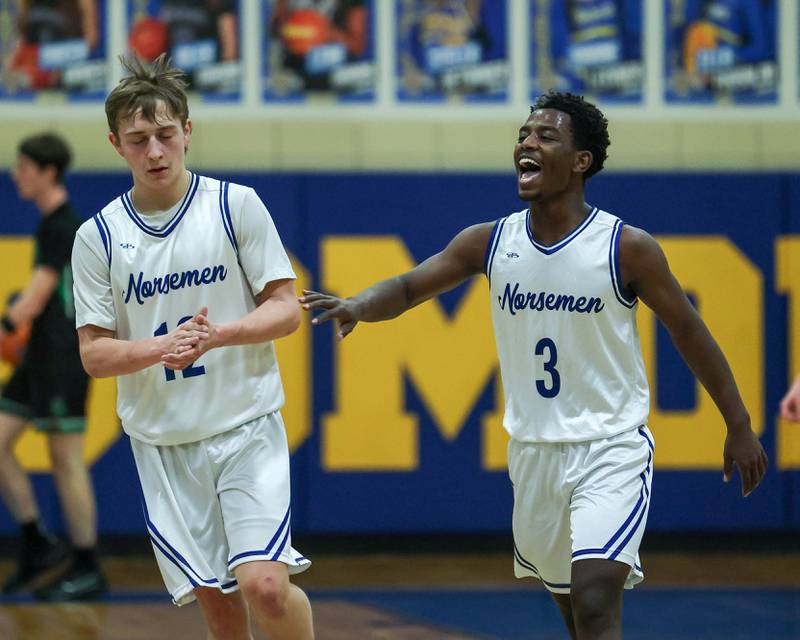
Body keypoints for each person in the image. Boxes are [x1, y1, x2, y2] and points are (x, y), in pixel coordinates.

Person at [301, 91, 768, 640]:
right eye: (524, 134)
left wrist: (738, 423)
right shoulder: (490, 241)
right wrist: (359, 304)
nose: (528, 142)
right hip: (533, 452)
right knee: (575, 611)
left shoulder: (626, 247)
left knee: (595, 599)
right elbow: (407, 286)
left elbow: (688, 330)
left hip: (610, 447)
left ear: (581, 161)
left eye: (546, 136)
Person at [70, 54, 313, 640]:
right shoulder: (97, 237)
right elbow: (95, 354)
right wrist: (163, 348)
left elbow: (286, 310)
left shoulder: (234, 205)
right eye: (138, 140)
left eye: (165, 134)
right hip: (165, 443)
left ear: (187, 131)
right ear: (116, 145)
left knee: (265, 587)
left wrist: (220, 334)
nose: (155, 151)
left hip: (245, 425)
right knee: (222, 613)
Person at [0, 132, 107, 600]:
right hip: (38, 357)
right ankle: (36, 540)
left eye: (24, 167)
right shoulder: (52, 224)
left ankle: (87, 564)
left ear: (47, 172)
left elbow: (33, 301)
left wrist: (7, 323)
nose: (16, 175)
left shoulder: (63, 225)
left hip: (64, 357)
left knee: (65, 458)